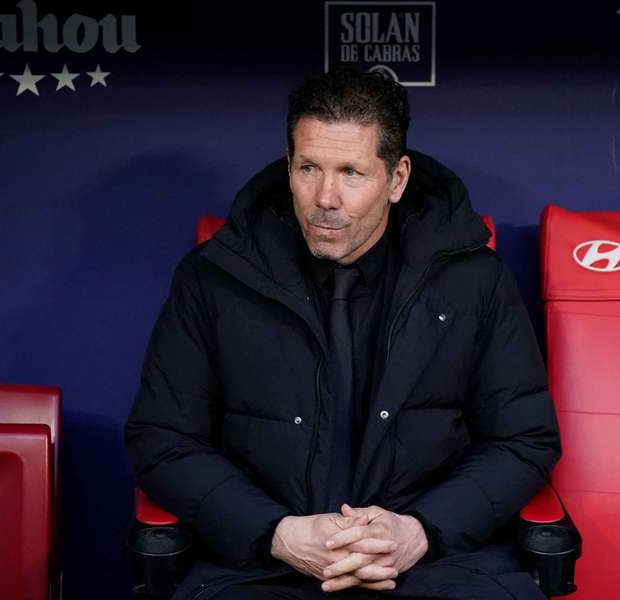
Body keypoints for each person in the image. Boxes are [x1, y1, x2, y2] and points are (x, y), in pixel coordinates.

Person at [125, 67, 560, 599]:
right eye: (309, 167)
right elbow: (163, 439)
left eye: (351, 172)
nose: (325, 197)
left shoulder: (473, 279)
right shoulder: (214, 276)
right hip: (261, 564)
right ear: (289, 167)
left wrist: (421, 530)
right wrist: (276, 533)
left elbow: (524, 439)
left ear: (397, 179)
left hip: (435, 560)